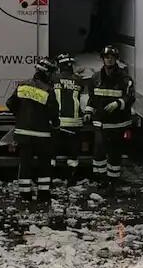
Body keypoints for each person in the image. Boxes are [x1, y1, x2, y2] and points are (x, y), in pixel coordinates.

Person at [6, 58, 60, 202]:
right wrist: (56, 125)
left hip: (23, 135)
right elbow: (54, 112)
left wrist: (21, 116)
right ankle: (43, 194)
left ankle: (25, 194)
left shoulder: (22, 85)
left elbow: (10, 104)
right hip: (42, 135)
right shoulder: (48, 90)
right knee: (44, 165)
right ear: (47, 74)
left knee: (25, 164)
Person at [84, 45, 135, 185]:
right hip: (100, 122)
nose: (109, 60)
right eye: (107, 57)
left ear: (116, 59)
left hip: (118, 123)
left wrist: (118, 103)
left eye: (112, 58)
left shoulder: (125, 79)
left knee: (114, 153)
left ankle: (113, 180)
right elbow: (92, 98)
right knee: (99, 151)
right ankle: (100, 179)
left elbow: (130, 97)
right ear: (103, 59)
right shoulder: (95, 78)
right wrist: (88, 111)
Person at [52, 53, 86, 182]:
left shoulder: (53, 79)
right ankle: (71, 178)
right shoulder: (78, 80)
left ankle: (52, 177)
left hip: (58, 123)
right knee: (72, 155)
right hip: (75, 123)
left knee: (52, 153)